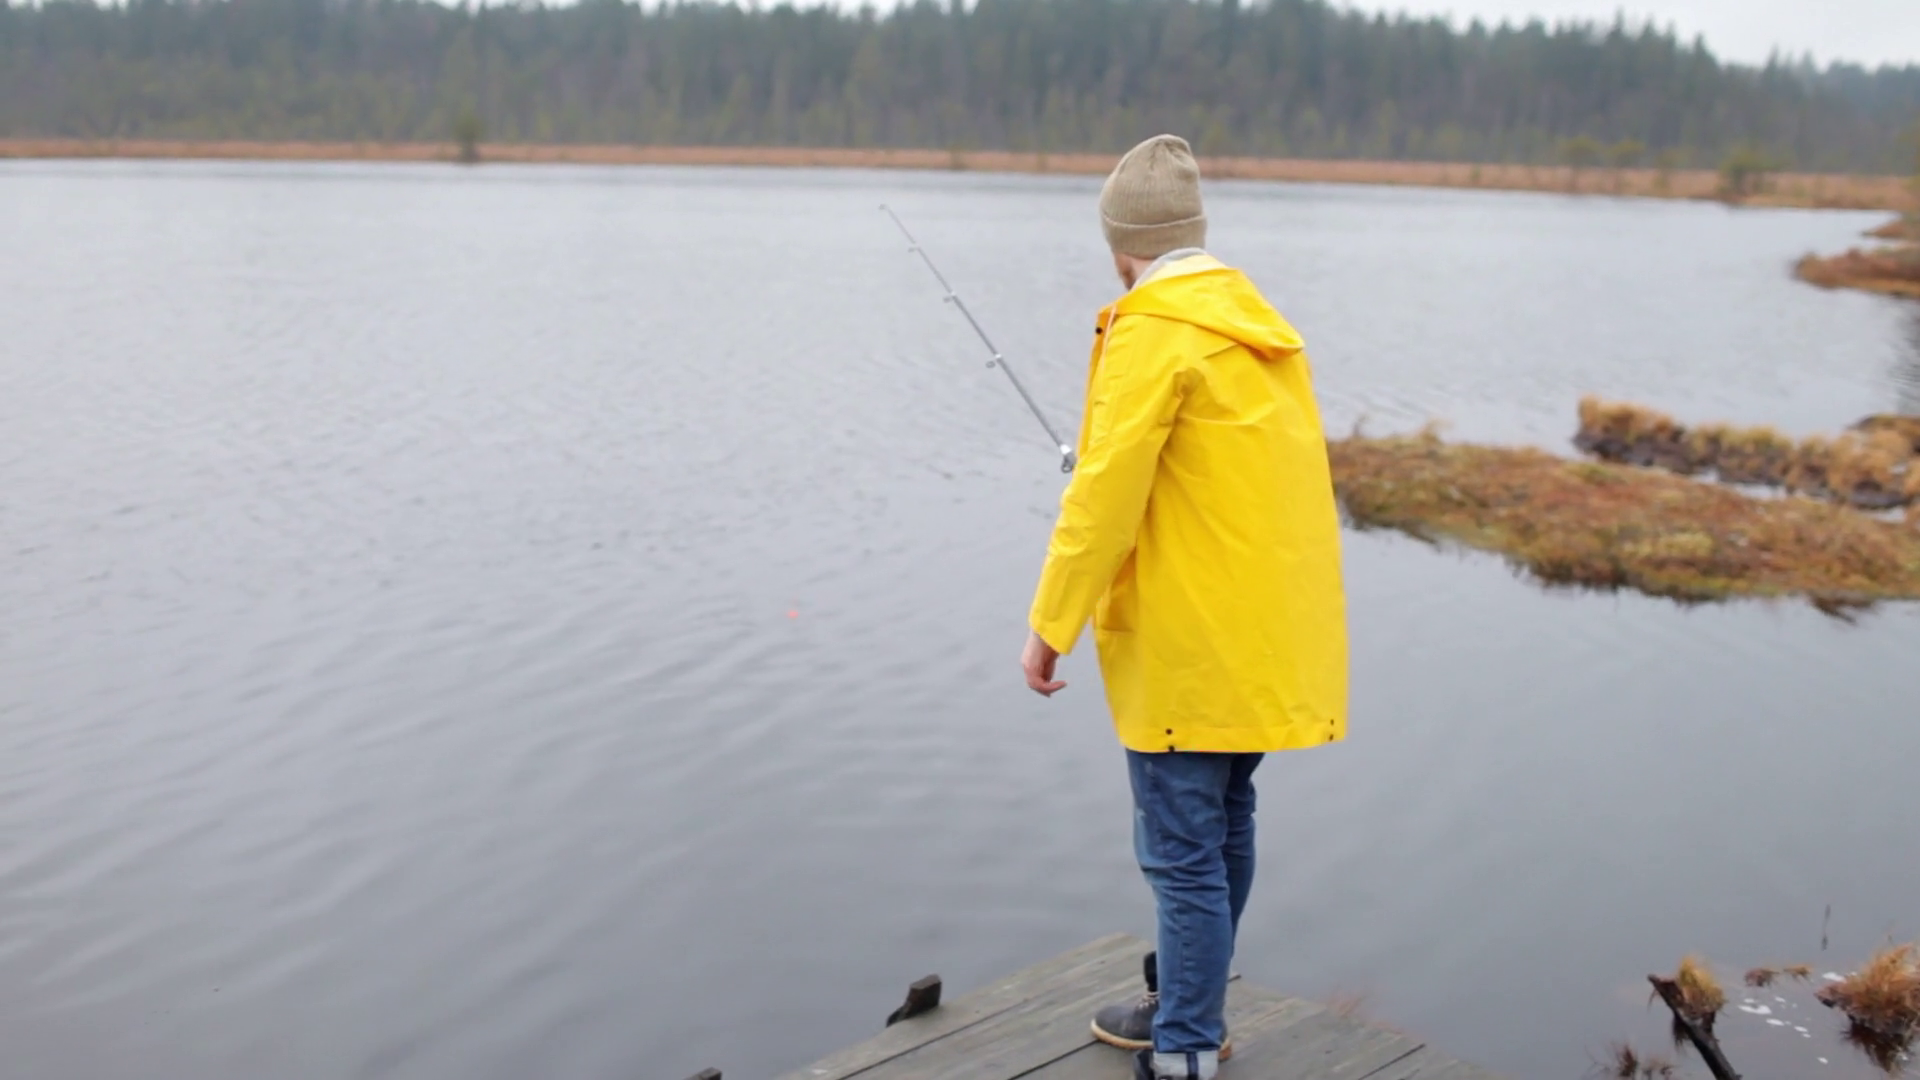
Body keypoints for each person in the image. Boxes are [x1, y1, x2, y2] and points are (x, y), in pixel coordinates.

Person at [1020, 134, 1349, 1080]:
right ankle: (1187, 1004)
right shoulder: (1259, 327)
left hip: (1188, 646)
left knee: (1180, 852)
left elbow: (1103, 501)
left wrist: (1050, 625)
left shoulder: (1152, 330)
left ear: (1122, 244)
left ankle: (1188, 1048)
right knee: (1225, 824)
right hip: (1262, 641)